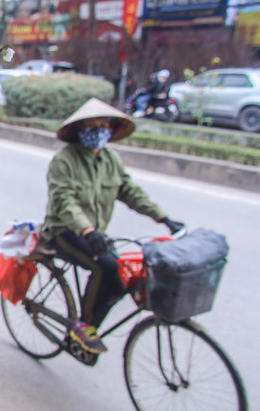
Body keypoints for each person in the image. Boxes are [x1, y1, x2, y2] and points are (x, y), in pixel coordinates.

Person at [40, 98, 184, 354]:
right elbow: (65, 202)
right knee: (105, 266)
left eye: (103, 125)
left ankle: (89, 326)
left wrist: (163, 218)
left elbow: (130, 192)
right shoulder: (65, 160)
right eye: (92, 126)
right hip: (65, 231)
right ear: (81, 129)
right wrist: (87, 230)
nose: (98, 130)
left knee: (120, 281)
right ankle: (83, 328)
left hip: (95, 234)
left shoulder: (111, 160)